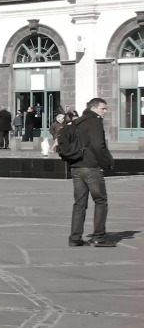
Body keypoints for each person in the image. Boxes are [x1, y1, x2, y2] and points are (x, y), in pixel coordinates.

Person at [65, 98, 113, 248]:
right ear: (94, 108)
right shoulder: (95, 122)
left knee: (79, 203)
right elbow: (99, 146)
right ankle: (99, 236)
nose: (105, 112)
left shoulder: (77, 122)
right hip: (91, 166)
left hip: (76, 166)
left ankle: (75, 238)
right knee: (100, 201)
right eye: (103, 109)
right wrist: (106, 164)